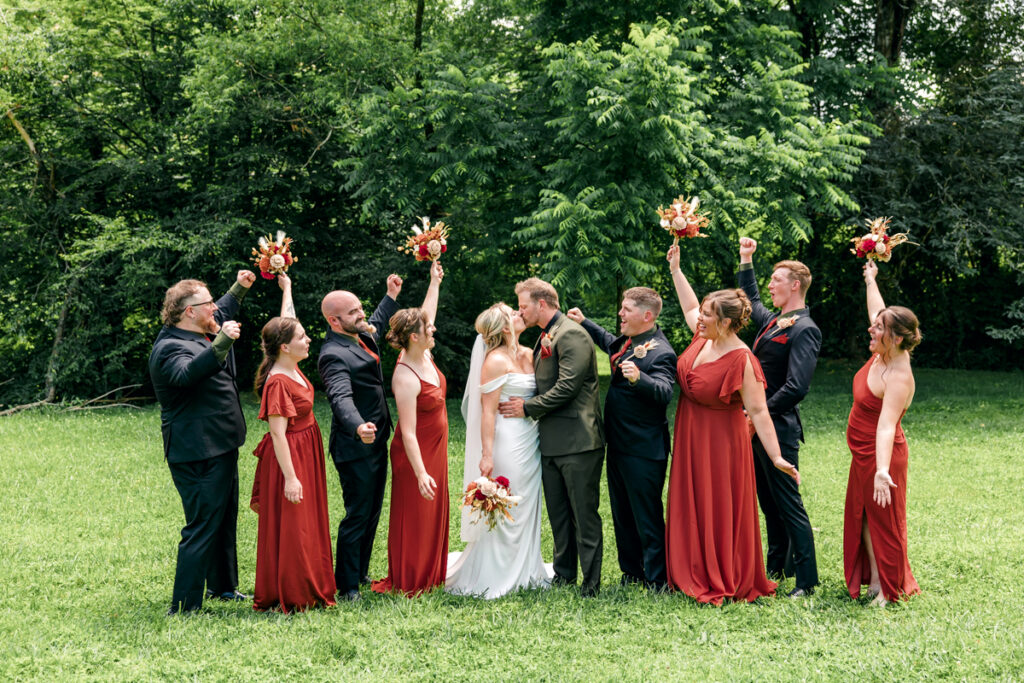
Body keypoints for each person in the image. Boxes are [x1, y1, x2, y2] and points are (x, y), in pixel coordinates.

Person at [663, 245, 799, 604]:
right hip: (691, 436)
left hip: (721, 445)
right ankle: (689, 566)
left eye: (707, 315)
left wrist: (776, 457)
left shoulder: (742, 359)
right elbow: (689, 306)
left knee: (717, 506)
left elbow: (759, 413)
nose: (699, 319)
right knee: (692, 505)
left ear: (725, 322)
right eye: (703, 314)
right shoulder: (703, 335)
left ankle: (722, 572)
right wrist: (677, 270)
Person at [149, 269, 256, 615]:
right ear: (188, 311)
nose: (215, 309)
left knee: (224, 518)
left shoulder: (202, 324)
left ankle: (224, 588)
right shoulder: (169, 348)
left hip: (222, 443)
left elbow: (222, 310)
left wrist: (240, 286)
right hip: (197, 451)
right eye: (206, 303)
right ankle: (184, 606)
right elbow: (186, 374)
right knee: (202, 525)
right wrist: (223, 341)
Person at [498, 278, 605, 597]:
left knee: (583, 514)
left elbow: (568, 387)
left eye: (523, 305)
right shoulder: (546, 335)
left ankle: (591, 582)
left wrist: (528, 407)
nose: (521, 311)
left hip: (579, 440)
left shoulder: (572, 334)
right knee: (559, 514)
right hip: (550, 441)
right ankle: (564, 574)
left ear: (541, 304)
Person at [567, 288, 676, 590]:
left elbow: (665, 392)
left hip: (643, 449)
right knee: (622, 513)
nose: (620, 314)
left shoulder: (661, 351)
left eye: (626, 309)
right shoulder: (630, 342)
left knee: (646, 515)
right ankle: (631, 572)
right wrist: (585, 322)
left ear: (647, 316)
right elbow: (609, 343)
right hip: (618, 445)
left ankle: (656, 578)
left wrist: (639, 379)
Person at [446, 303, 553, 598]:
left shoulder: (529, 353)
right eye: (514, 314)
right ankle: (499, 571)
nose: (521, 315)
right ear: (505, 328)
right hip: (507, 440)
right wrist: (487, 455)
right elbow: (488, 413)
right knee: (508, 503)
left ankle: (527, 567)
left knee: (528, 502)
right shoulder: (494, 360)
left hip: (531, 437)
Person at [736, 237, 822, 597]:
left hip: (779, 428)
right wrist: (746, 259)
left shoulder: (805, 328)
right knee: (768, 502)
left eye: (776, 279)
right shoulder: (774, 321)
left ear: (795, 285)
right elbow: (750, 300)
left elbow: (796, 387)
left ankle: (806, 580)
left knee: (788, 504)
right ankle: (777, 567)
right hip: (756, 425)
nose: (770, 285)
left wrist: (758, 413)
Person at [249, 274, 336, 612]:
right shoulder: (277, 382)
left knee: (308, 520)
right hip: (290, 456)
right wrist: (291, 477)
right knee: (295, 525)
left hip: (306, 448)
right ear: (285, 346)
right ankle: (295, 591)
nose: (308, 339)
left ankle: (312, 583)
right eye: (302, 337)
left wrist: (287, 289)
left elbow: (288, 321)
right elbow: (277, 433)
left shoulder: (287, 360)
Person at [318, 273, 406, 602]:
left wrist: (390, 295)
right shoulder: (333, 353)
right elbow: (340, 397)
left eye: (360, 309)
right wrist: (358, 426)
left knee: (371, 511)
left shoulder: (361, 336)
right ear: (334, 320)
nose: (361, 315)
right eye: (353, 312)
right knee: (357, 513)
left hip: (377, 440)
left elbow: (376, 323)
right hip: (355, 445)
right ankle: (348, 585)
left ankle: (361, 571)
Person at [844, 260, 921, 606]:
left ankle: (891, 591)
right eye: (874, 327)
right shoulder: (883, 352)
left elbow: (887, 425)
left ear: (898, 337)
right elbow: (878, 308)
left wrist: (881, 471)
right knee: (863, 519)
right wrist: (871, 279)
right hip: (862, 453)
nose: (871, 331)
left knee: (884, 523)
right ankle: (875, 580)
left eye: (879, 329)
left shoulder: (898, 375)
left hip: (882, 458)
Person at [372, 261, 447, 595]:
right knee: (416, 514)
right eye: (427, 330)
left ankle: (433, 574)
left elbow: (428, 315)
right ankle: (413, 577)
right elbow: (408, 432)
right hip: (415, 454)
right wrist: (419, 472)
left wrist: (434, 282)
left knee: (432, 513)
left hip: (436, 449)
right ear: (414, 337)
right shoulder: (405, 375)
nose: (434, 331)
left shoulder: (425, 355)